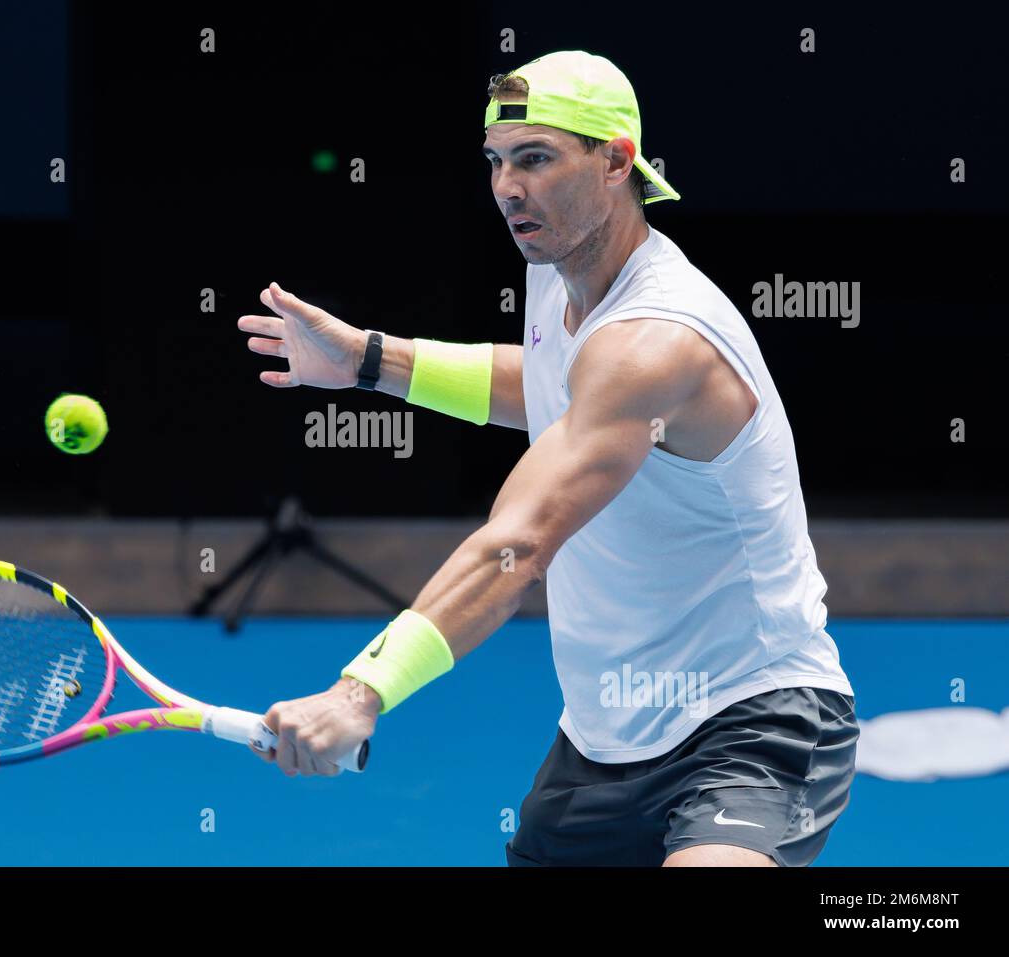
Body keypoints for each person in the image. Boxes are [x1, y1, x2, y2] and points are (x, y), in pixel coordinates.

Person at [236, 50, 858, 867]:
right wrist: (367, 359)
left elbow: (520, 544)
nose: (507, 189)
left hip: (753, 718)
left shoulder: (654, 340)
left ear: (615, 162)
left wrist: (362, 690)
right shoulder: (563, 270)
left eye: (535, 159)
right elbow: (549, 388)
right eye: (496, 163)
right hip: (600, 741)